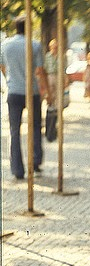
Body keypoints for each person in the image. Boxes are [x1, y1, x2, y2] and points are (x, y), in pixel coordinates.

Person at [0, 14, 48, 180]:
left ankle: (17, 170)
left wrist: (10, 79)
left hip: (13, 92)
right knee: (35, 127)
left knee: (14, 131)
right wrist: (46, 90)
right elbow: (40, 71)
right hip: (31, 91)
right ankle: (35, 162)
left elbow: (2, 66)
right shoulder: (34, 45)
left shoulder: (5, 45)